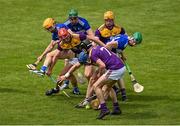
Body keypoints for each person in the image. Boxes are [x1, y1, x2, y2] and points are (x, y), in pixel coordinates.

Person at [58, 45, 126, 119]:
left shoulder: (92, 56)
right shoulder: (94, 50)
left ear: (88, 60)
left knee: (96, 86)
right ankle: (116, 108)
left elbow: (102, 66)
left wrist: (99, 74)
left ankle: (104, 109)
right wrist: (66, 76)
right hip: (121, 67)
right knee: (108, 87)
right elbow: (76, 66)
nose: (87, 65)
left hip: (114, 69)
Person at [45, 28, 106, 96]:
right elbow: (56, 56)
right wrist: (50, 69)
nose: (66, 40)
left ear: (68, 34)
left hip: (88, 55)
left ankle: (95, 90)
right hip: (77, 57)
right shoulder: (62, 43)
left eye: (66, 37)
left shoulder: (78, 36)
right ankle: (58, 89)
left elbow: (94, 39)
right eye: (64, 39)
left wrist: (105, 47)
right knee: (61, 76)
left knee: (88, 74)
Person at [95, 11, 127, 101]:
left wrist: (122, 54)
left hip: (115, 53)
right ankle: (113, 89)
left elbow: (122, 42)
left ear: (113, 20)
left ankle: (123, 93)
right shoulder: (100, 30)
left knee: (118, 73)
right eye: (106, 20)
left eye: (110, 20)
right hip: (105, 55)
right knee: (109, 73)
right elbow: (96, 42)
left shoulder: (119, 29)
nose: (108, 22)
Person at [63, 9, 94, 85]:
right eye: (71, 19)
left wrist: (92, 44)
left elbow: (91, 35)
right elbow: (66, 36)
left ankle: (91, 79)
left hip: (84, 43)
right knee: (67, 59)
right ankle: (67, 80)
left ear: (78, 17)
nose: (73, 20)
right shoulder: (66, 24)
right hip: (73, 43)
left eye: (75, 18)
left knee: (85, 60)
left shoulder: (83, 22)